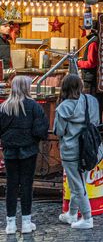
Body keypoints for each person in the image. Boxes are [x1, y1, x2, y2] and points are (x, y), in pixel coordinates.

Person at [0, 75, 48, 234]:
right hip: (28, 151)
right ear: (27, 88)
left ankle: (11, 223)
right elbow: (41, 130)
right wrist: (33, 140)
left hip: (10, 151)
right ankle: (26, 222)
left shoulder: (4, 107)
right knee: (27, 185)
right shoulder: (34, 107)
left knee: (11, 185)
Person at [53, 74, 100, 230]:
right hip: (90, 149)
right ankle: (71, 214)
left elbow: (59, 131)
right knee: (78, 182)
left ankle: (87, 217)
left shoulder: (63, 107)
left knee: (77, 184)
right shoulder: (91, 101)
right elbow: (96, 122)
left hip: (71, 150)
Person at [77, 25, 99, 95]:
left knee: (90, 99)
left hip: (90, 78)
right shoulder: (94, 40)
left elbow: (91, 63)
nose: (84, 31)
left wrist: (78, 63)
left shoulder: (93, 43)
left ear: (91, 30)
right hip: (92, 77)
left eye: (85, 29)